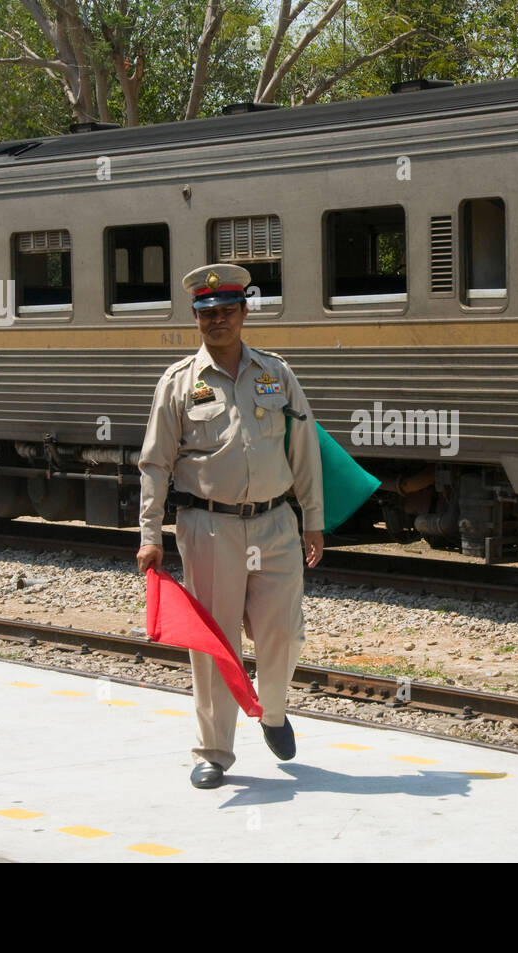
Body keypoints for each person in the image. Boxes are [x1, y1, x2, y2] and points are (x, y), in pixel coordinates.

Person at [137, 263, 324, 790]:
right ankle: (214, 751)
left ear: (244, 313)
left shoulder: (276, 374)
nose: (217, 320)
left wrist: (314, 519)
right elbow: (154, 463)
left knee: (283, 632)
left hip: (274, 524)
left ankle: (272, 711)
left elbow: (303, 448)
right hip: (209, 526)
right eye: (206, 312)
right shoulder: (178, 383)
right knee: (213, 641)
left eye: (226, 311)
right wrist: (149, 535)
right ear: (195, 317)